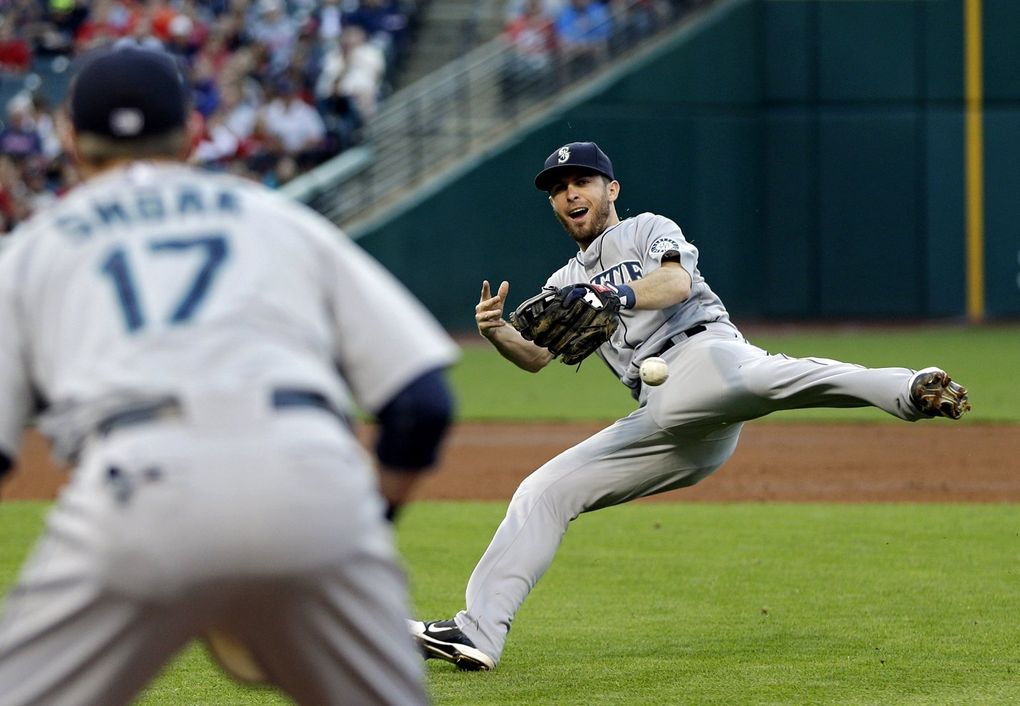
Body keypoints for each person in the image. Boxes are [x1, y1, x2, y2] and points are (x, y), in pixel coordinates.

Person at [0, 43, 459, 705]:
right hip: (311, 479)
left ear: (69, 138)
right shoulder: (281, 221)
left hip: (136, 485)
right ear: (191, 133)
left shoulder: (32, 250)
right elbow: (422, 405)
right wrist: (363, 524)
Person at [409, 140, 971, 671]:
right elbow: (536, 357)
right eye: (558, 188)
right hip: (667, 417)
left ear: (612, 188)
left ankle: (910, 389)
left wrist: (612, 293)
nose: (571, 193)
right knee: (544, 492)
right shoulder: (563, 280)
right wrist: (497, 333)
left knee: (774, 376)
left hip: (707, 354)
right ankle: (478, 631)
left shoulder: (648, 229)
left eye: (582, 181)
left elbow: (676, 283)